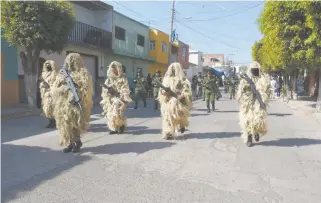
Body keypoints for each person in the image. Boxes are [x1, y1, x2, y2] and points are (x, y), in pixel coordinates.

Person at [51, 53, 93, 153]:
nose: (71, 62)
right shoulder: (62, 73)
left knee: (75, 124)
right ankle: (69, 143)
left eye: (73, 60)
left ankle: (77, 142)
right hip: (62, 104)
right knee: (65, 125)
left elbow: (86, 87)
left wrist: (78, 87)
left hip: (75, 103)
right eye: (69, 60)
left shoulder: (82, 72)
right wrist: (62, 83)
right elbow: (55, 88)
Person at [236, 61, 271, 147]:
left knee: (258, 120)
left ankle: (256, 132)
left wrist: (264, 97)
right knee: (247, 121)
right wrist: (245, 90)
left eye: (256, 70)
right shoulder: (246, 79)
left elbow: (268, 90)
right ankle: (249, 138)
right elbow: (240, 91)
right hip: (247, 104)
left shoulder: (263, 79)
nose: (255, 71)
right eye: (253, 70)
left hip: (259, 103)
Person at [158, 62, 192, 140]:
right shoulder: (166, 79)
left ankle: (182, 124)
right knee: (167, 115)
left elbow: (187, 89)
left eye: (174, 68)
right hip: (168, 100)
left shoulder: (183, 79)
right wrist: (164, 92)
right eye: (171, 68)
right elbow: (161, 91)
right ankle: (168, 132)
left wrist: (183, 95)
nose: (173, 70)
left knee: (180, 114)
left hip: (178, 100)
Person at [100, 61, 132, 134]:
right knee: (110, 114)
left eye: (115, 68)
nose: (113, 69)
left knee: (118, 113)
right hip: (110, 99)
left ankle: (121, 126)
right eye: (112, 68)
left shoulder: (123, 79)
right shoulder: (108, 79)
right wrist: (108, 91)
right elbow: (104, 91)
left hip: (120, 99)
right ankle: (113, 128)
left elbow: (125, 89)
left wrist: (119, 94)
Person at [39, 60, 57, 128]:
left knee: (53, 109)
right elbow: (41, 81)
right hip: (45, 94)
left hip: (52, 94)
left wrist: (49, 85)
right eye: (46, 65)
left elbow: (56, 83)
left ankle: (54, 122)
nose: (48, 66)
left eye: (49, 65)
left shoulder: (55, 74)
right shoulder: (44, 74)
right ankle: (50, 122)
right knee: (47, 109)